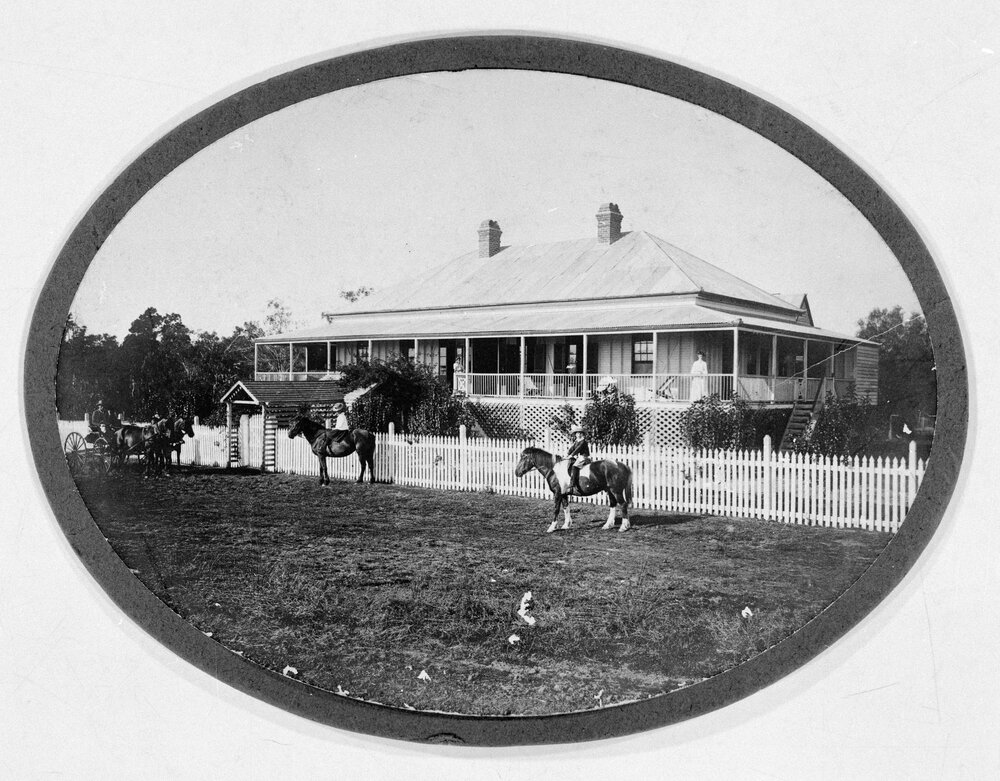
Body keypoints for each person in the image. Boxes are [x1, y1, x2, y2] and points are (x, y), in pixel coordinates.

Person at [566, 424, 591, 493]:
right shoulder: (577, 441)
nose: (577, 434)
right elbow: (572, 448)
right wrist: (567, 454)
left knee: (575, 466)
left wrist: (571, 455)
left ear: (582, 434)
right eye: (576, 433)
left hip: (584, 456)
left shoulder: (583, 442)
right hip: (579, 457)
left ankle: (573, 484)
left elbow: (578, 449)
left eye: (579, 433)